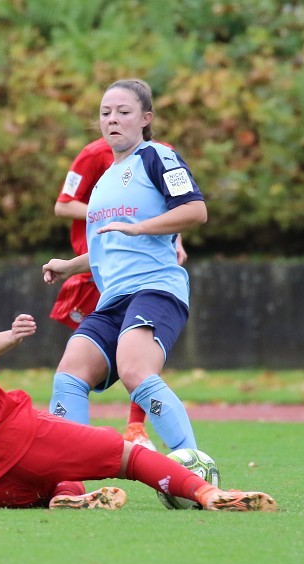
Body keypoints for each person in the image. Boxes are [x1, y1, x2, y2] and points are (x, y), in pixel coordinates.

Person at [0, 243, 276, 512]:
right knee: (126, 455)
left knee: (65, 480)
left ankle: (66, 497)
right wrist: (9, 337)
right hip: (16, 438)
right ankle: (208, 493)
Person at [42, 78, 205, 453]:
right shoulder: (102, 182)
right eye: (105, 113)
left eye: (123, 112)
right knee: (70, 372)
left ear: (145, 118)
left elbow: (197, 210)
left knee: (134, 370)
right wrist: (69, 266)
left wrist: (142, 227)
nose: (112, 119)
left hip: (155, 290)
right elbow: (109, 247)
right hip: (112, 299)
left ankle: (194, 468)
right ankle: (71, 482)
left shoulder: (157, 156)